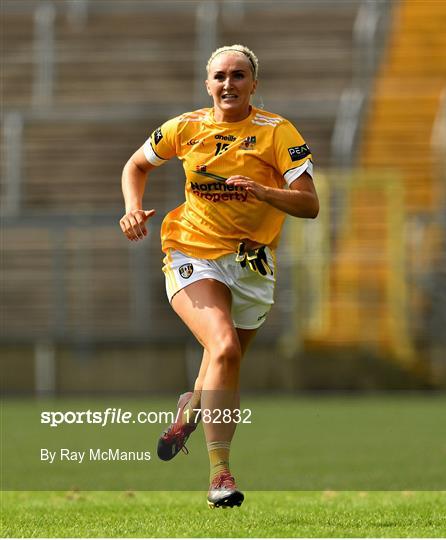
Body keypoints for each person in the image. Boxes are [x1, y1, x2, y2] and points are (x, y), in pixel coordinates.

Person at [120, 44, 319, 508]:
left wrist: (265, 192)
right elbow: (136, 165)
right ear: (207, 84)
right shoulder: (185, 127)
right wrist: (131, 210)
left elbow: (310, 204)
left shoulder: (278, 132)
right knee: (224, 345)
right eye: (220, 76)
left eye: (238, 75)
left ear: (254, 83)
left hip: (252, 264)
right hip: (192, 250)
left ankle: (190, 409)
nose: (228, 84)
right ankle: (220, 475)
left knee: (223, 362)